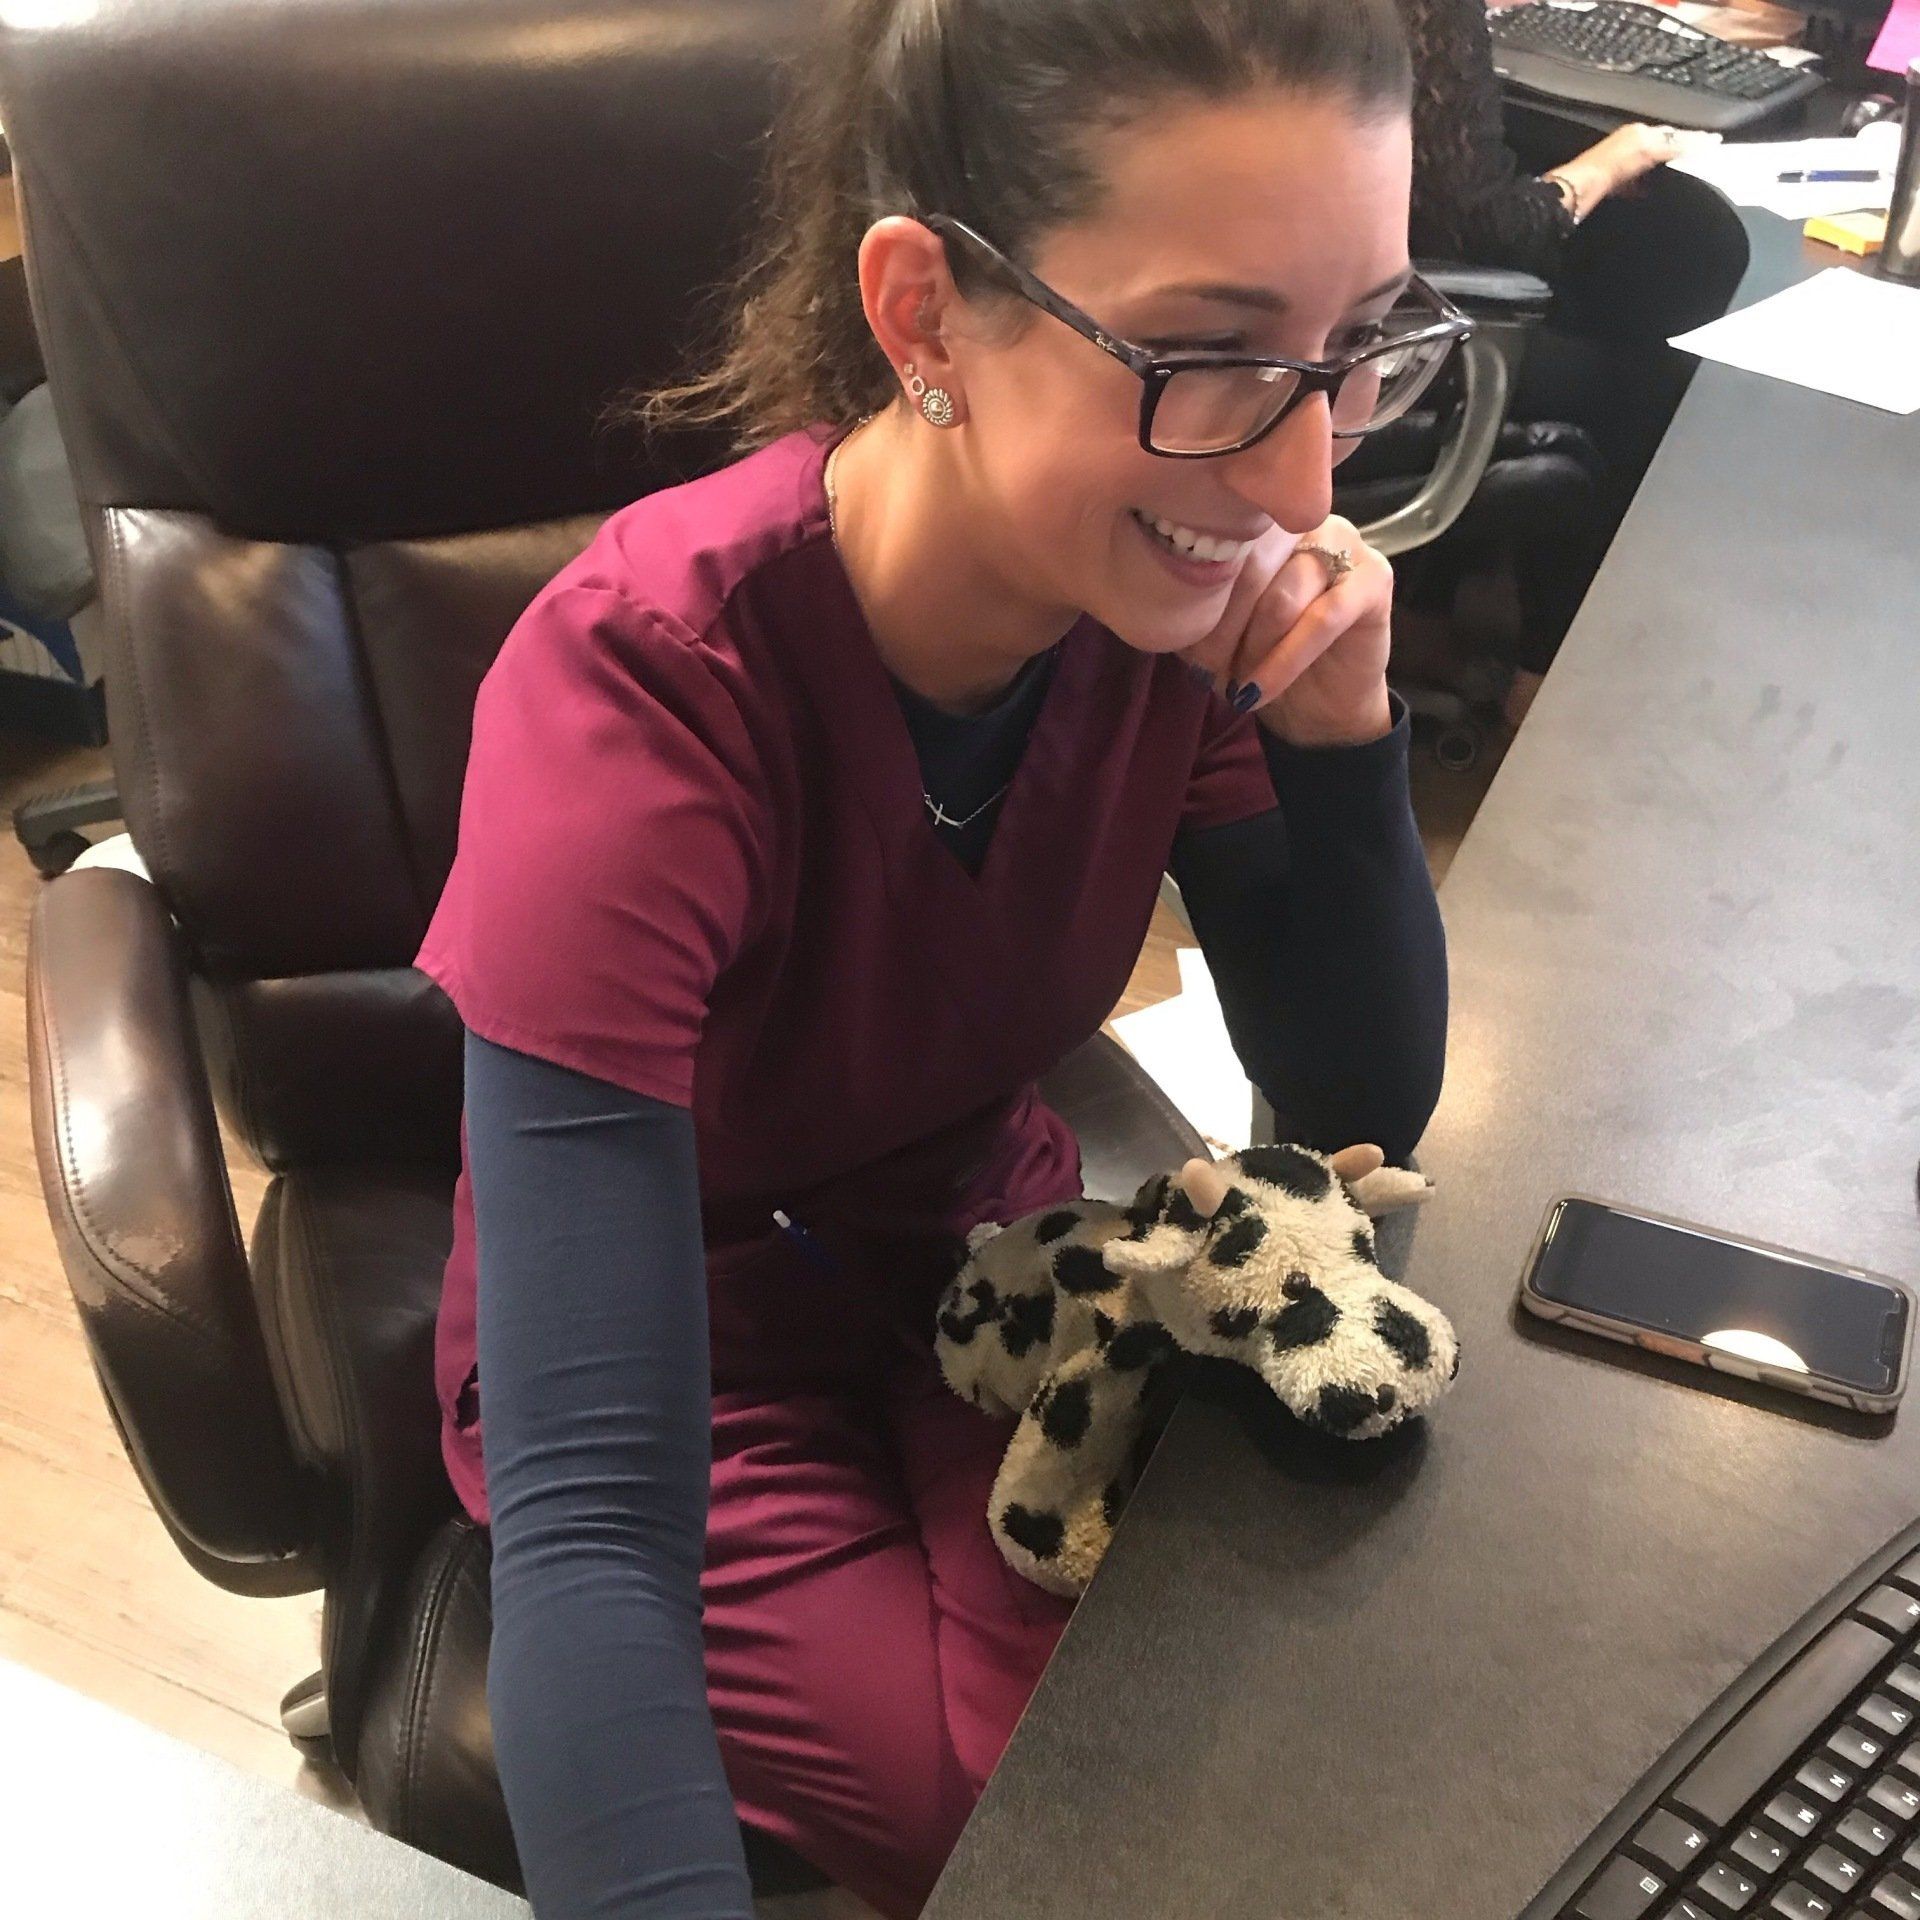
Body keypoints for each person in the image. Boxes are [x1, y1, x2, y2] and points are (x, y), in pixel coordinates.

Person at [414, 0, 1453, 1913]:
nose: (1311, 483)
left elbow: (1360, 1085)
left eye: (1360, 347)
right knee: (967, 1809)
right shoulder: (643, 695)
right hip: (686, 1332)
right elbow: (594, 1522)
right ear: (922, 318)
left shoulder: (1160, 606)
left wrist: (1344, 743)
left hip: (990, 1259)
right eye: (1214, 358)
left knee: (1156, 1738)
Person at [1392, 0, 1728, 722]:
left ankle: (1418, 615)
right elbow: (1485, 233)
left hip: (1249, 296)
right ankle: (1543, 686)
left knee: (1602, 298)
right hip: (1366, 336)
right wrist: (1606, 163)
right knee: (1648, 387)